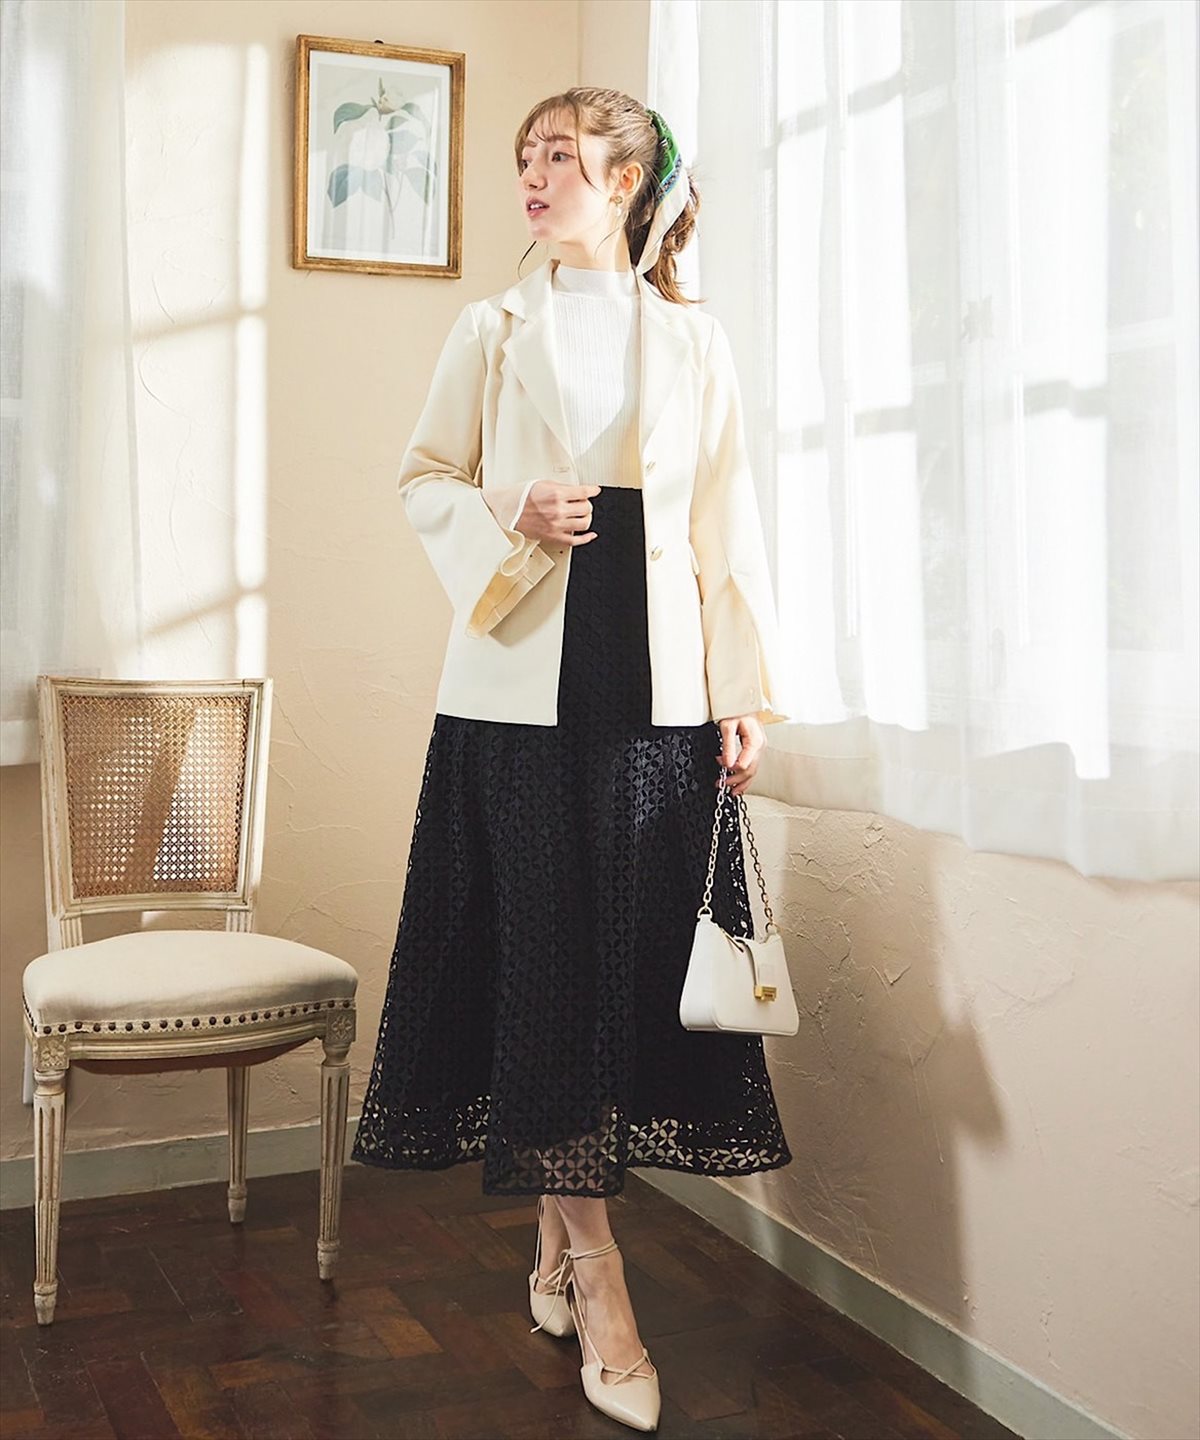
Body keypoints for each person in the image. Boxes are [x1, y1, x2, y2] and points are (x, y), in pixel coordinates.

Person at [353, 86, 792, 1433]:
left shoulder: (694, 340)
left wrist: (741, 693)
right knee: (545, 964)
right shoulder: (490, 329)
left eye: (562, 157)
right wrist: (515, 506)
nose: (535, 177)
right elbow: (423, 477)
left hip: (659, 689)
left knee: (621, 971)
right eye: (527, 158)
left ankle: (551, 1242)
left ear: (628, 181)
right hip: (519, 690)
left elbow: (725, 521)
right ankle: (601, 1280)